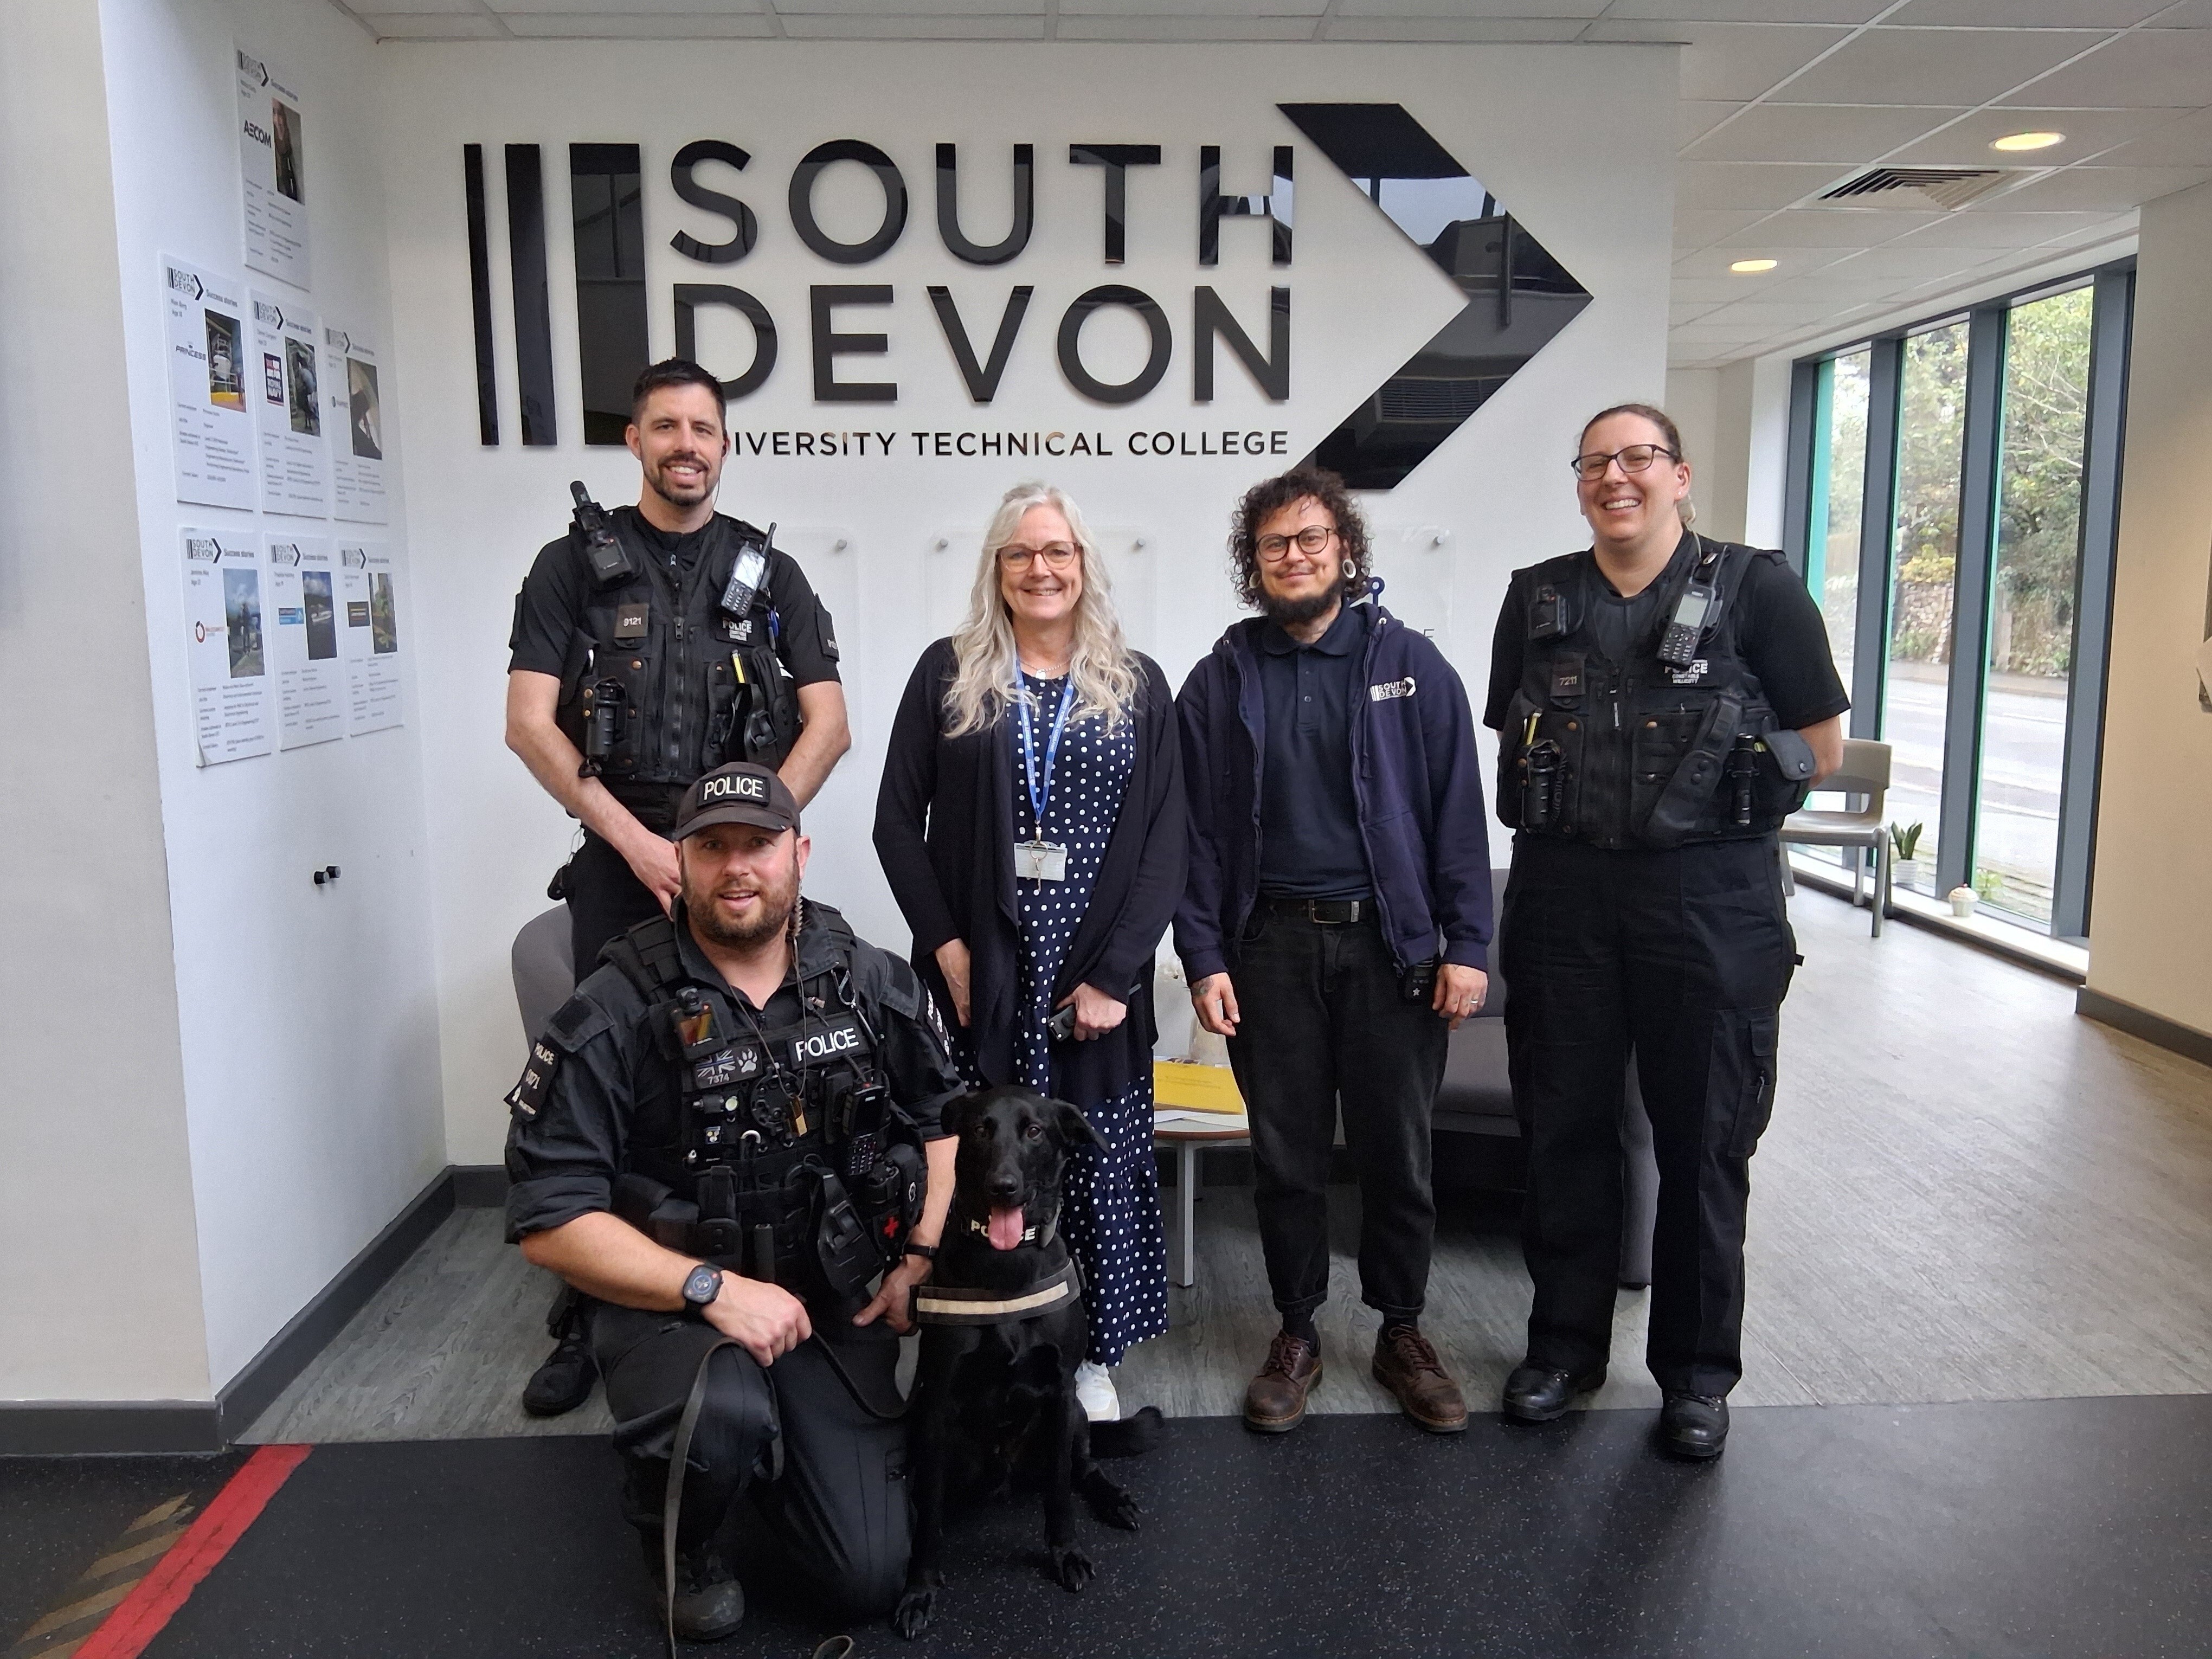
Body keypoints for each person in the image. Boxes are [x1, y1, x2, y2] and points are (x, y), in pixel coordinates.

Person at [504, 762, 962, 1643]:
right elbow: (549, 1221)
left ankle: (772, 1455)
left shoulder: (863, 979)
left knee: (867, 1579)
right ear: (679, 861)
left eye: (758, 844)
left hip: (824, 1297)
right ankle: (681, 1537)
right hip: (675, 1305)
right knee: (720, 1416)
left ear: (800, 854)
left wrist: (922, 1254)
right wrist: (713, 1291)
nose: (737, 867)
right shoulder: (617, 1006)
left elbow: (944, 1117)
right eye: (712, 847)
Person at [1487, 403, 1847, 1460]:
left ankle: (1695, 1375)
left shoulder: (1759, 589)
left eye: (1638, 458)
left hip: (1710, 900)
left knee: (1705, 1143)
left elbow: (1822, 746)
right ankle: (1563, 1350)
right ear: (1580, 484)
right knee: (1564, 1133)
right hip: (1565, 898)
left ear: (1679, 475)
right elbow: (1516, 733)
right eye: (1595, 462)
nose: (1616, 477)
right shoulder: (1537, 596)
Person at [505, 357, 852, 1417]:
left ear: (724, 445)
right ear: (636, 440)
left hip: (739, 869)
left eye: (703, 429)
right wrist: (641, 846)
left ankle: (775, 1279)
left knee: (766, 1072)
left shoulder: (771, 575)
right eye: (666, 427)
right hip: (622, 866)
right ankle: (593, 1308)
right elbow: (529, 723)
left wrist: (753, 839)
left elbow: (829, 725)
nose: (686, 446)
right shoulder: (570, 568)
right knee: (614, 1089)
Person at [1175, 466, 1493, 1436]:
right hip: (1268, 950)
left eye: (1312, 538)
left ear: (1345, 549)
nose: (1295, 556)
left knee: (1399, 1155)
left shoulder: (1412, 665)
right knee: (1287, 1158)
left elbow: (1456, 813)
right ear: (1254, 563)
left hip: (1392, 951)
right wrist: (1203, 956)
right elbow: (1193, 834)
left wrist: (1468, 943)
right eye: (1274, 544)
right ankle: (1298, 1330)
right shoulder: (1222, 676)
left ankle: (1403, 1331)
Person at [874, 482, 1184, 1425]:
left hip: (1095, 982)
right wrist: (947, 947)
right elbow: (896, 823)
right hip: (986, 975)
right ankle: (970, 1342)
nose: (1040, 569)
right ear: (996, 568)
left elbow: (1168, 839)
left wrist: (1116, 976)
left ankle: (1090, 1358)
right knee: (985, 1166)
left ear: (1083, 564)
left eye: (1058, 551)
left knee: (1092, 1168)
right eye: (1020, 553)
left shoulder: (1137, 684)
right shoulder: (949, 674)